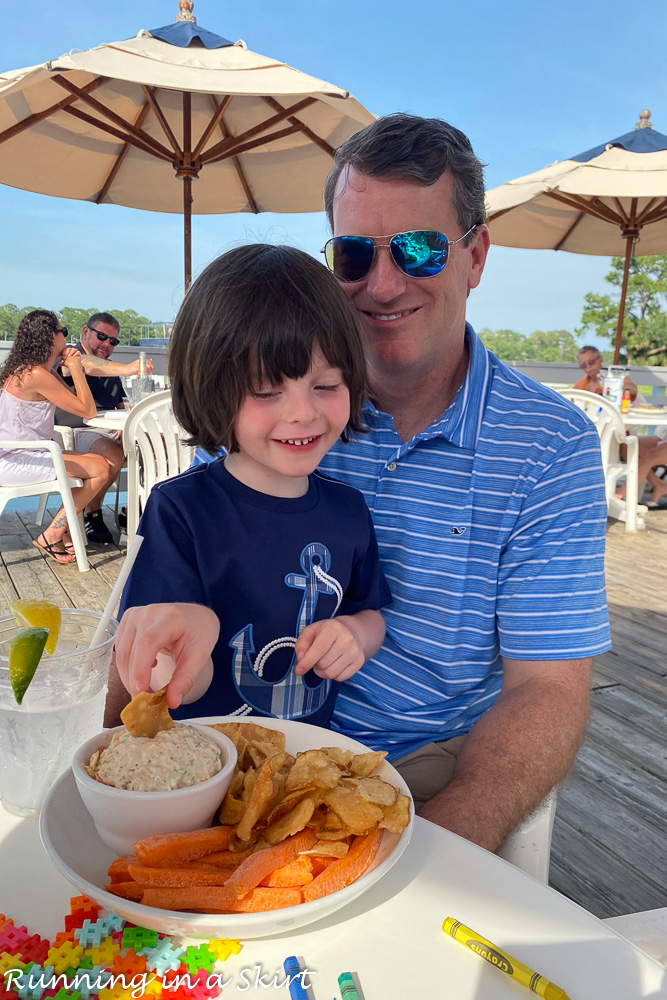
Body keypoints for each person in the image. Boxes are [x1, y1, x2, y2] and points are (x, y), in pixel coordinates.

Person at [312, 113, 611, 852]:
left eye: (418, 249)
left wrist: (438, 852)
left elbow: (545, 687)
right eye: (354, 254)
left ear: (475, 256)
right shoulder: (275, 406)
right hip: (255, 730)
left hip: (416, 772)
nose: (382, 285)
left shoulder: (546, 445)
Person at [105, 245, 390, 727]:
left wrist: (355, 634)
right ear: (212, 388)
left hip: (303, 766)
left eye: (326, 385)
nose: (303, 412)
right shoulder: (180, 510)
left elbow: (370, 610)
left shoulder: (349, 510)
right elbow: (165, 686)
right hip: (199, 767)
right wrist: (188, 636)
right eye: (265, 391)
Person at [0, 310, 110, 564]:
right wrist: (75, 366)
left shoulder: (34, 371)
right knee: (100, 468)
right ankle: (53, 533)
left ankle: (64, 531)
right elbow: (88, 411)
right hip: (16, 460)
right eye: (64, 333)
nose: (67, 340)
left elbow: (74, 402)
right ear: (52, 336)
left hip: (25, 454)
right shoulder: (36, 375)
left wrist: (67, 368)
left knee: (91, 466)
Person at [55, 312, 154, 544]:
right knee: (113, 452)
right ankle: (93, 511)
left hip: (109, 426)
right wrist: (129, 368)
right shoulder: (69, 355)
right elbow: (86, 365)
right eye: (102, 336)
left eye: (113, 341)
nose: (107, 344)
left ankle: (136, 508)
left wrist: (128, 425)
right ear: (86, 332)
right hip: (78, 428)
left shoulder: (111, 369)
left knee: (158, 447)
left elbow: (120, 403)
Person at [573, 345, 665, 502]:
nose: (588, 367)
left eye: (591, 362)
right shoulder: (581, 385)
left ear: (600, 360)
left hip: (618, 434)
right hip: (590, 435)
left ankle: (614, 497)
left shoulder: (614, 378)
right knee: (629, 451)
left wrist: (621, 386)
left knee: (628, 450)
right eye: (583, 365)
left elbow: (633, 390)